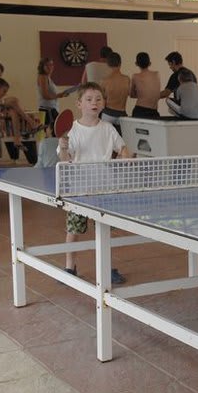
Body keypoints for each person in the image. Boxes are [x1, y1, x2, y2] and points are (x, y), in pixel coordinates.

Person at [57, 83, 130, 285]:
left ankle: (107, 268)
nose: (94, 103)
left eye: (98, 99)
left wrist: (124, 156)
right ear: (79, 103)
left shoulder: (108, 128)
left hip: (104, 191)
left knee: (104, 232)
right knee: (73, 231)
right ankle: (69, 267)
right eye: (89, 99)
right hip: (79, 191)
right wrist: (63, 147)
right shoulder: (72, 130)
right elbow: (64, 160)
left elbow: (123, 147)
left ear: (104, 103)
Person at [37, 58, 70, 136]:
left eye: (51, 65)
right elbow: (45, 95)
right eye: (47, 65)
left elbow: (50, 94)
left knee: (55, 132)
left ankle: (54, 146)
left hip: (51, 109)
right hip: (46, 109)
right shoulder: (42, 77)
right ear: (42, 66)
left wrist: (61, 95)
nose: (50, 67)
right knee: (51, 133)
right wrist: (60, 95)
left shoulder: (48, 78)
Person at [100, 52, 131, 134]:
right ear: (120, 63)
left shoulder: (105, 81)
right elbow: (130, 94)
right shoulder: (127, 79)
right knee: (121, 143)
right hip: (122, 115)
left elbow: (102, 102)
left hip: (108, 115)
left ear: (108, 64)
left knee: (107, 142)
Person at [130, 52, 162, 119]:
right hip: (154, 111)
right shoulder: (157, 74)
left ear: (136, 64)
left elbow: (132, 94)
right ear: (149, 63)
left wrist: (143, 95)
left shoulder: (135, 76)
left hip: (140, 111)